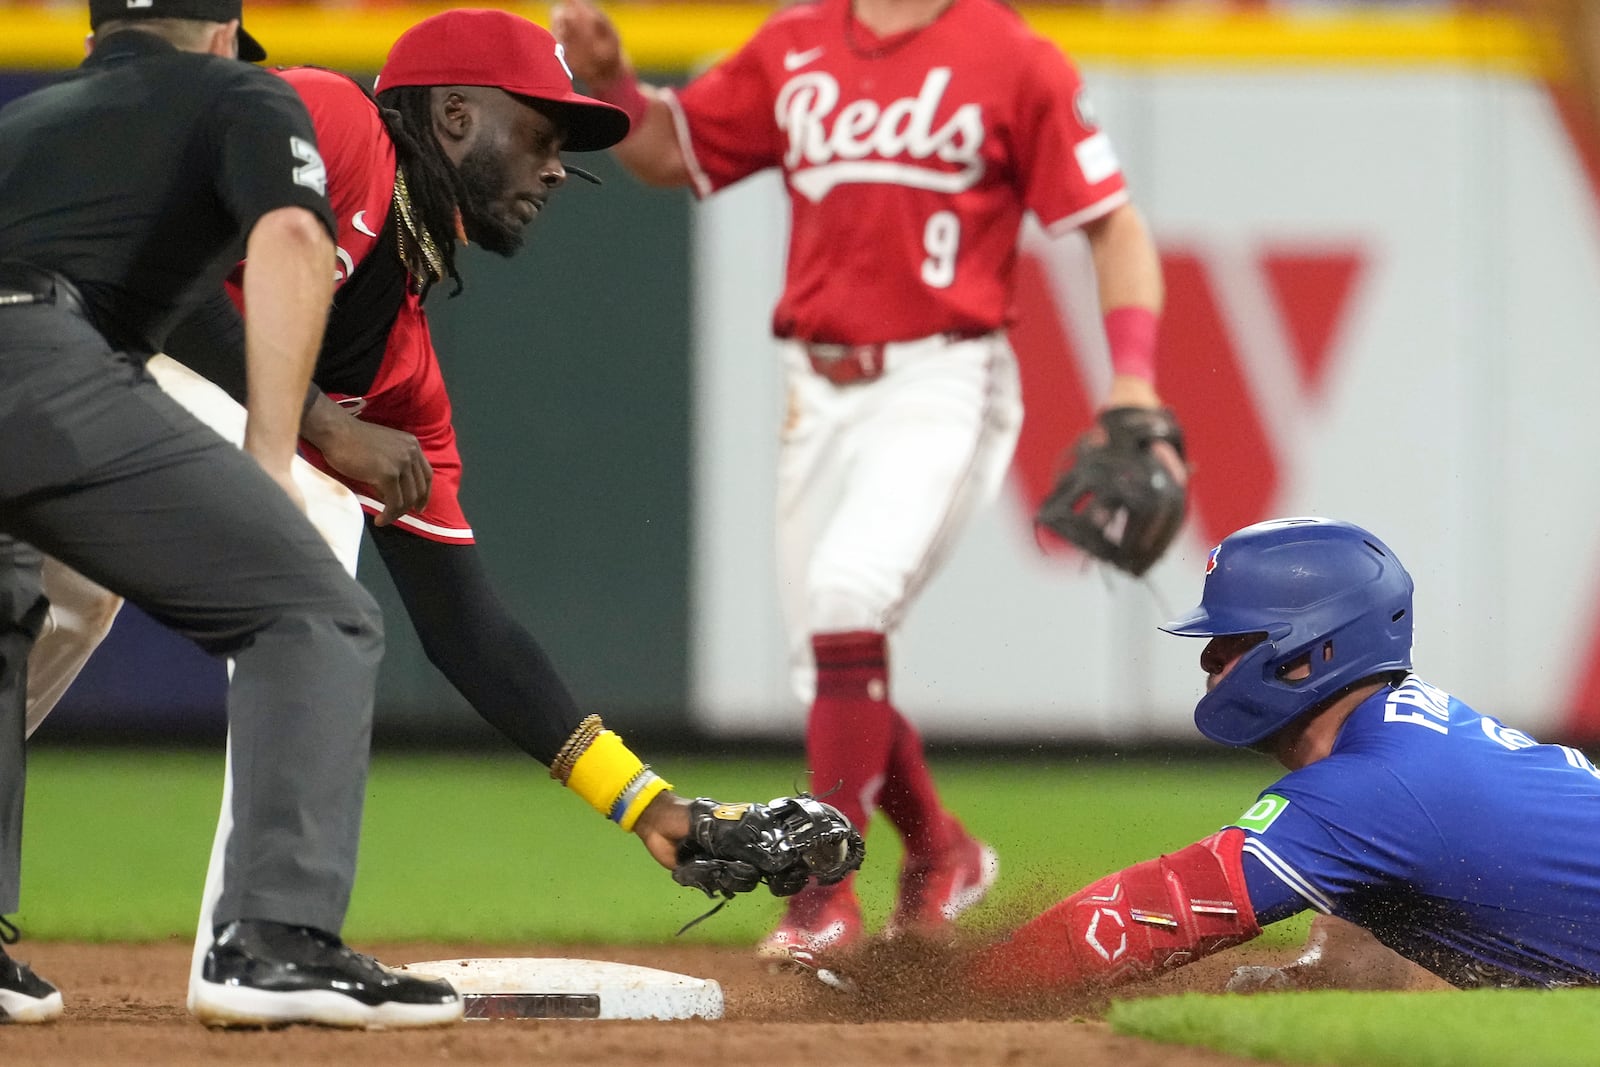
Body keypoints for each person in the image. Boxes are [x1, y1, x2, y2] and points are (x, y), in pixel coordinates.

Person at [20, 6, 859, 1009]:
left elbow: (468, 629)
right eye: (542, 134)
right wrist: (323, 428)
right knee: (301, 528)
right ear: (455, 117)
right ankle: (266, 936)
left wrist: (651, 807)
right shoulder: (334, 123)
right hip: (49, 336)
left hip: (79, 397)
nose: (556, 169)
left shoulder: (401, 373)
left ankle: (258, 932)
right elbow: (160, 250)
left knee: (62, 601)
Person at [551, 0, 1173, 959]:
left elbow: (1112, 223)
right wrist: (612, 85)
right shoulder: (795, 42)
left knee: (849, 597)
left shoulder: (1012, 57)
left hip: (942, 376)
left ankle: (821, 895)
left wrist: (1131, 379)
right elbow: (672, 152)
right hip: (818, 390)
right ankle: (942, 851)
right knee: (831, 662)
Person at [0, 0, 461, 1029]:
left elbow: (184, 294)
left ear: (92, 43)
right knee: (310, 607)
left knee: (7, 614)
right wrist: (270, 458)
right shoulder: (245, 92)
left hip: (30, 340)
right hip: (35, 364)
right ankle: (273, 940)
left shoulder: (30, 123)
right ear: (221, 37)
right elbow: (294, 237)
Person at [971, 518, 1600, 996]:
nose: (1209, 658)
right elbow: (1394, 868)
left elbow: (1151, 909)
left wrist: (969, 985)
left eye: (1236, 638)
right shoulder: (1398, 734)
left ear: (1314, 650)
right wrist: (1326, 970)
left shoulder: (1370, 786)